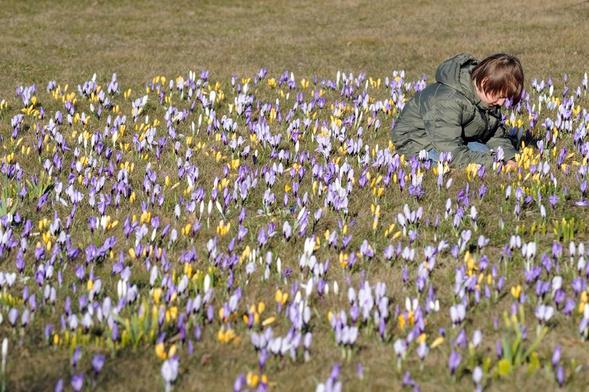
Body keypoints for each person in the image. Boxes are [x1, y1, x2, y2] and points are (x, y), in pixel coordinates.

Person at [391, 53, 524, 169]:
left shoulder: (488, 95)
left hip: (449, 136)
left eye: (505, 98)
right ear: (484, 82)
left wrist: (510, 157)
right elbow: (449, 150)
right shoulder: (448, 102)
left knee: (485, 153)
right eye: (500, 96)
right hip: (417, 140)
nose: (501, 103)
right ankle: (403, 158)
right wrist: (495, 163)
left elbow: (494, 135)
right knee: (449, 162)